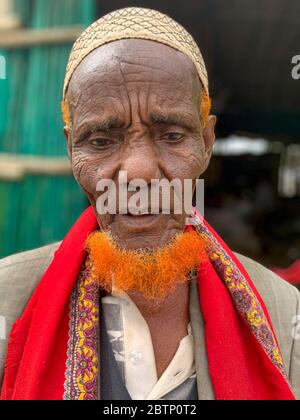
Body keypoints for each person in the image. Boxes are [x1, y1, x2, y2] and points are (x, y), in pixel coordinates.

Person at [0, 7, 299, 400]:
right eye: (102, 141)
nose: (138, 173)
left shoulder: (283, 312)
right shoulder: (8, 300)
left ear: (207, 143)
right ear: (71, 150)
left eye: (171, 135)